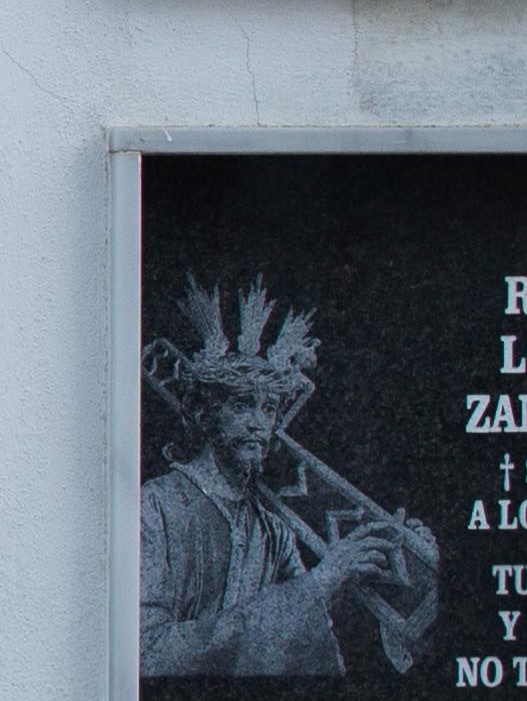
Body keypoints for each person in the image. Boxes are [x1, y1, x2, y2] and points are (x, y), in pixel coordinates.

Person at [140, 279, 439, 679]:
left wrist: (393, 586)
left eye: (268, 408)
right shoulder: (154, 507)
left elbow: (309, 636)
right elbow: (145, 655)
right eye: (243, 404)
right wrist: (323, 582)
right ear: (202, 412)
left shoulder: (273, 531)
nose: (260, 424)